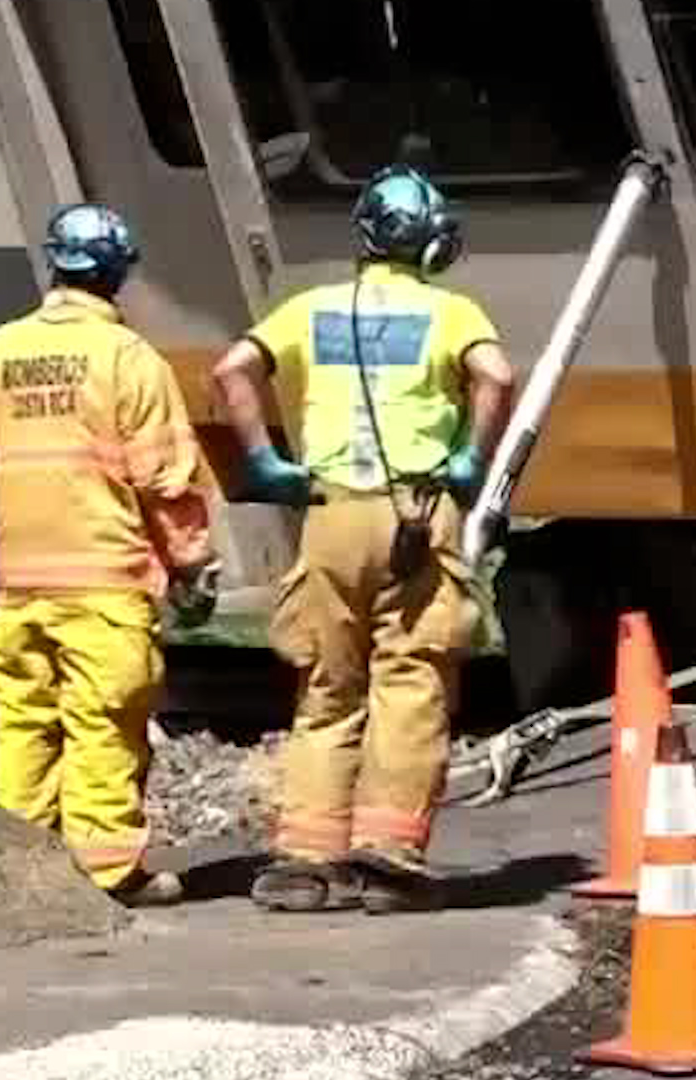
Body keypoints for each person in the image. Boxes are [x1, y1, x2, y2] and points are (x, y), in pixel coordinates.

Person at [211, 165, 516, 913]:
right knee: (411, 678)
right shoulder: (450, 313)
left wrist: (266, 461)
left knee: (326, 685)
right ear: (432, 242)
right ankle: (387, 856)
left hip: (330, 510)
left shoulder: (312, 309)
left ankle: (303, 862)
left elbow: (231, 370)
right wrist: (472, 459)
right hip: (416, 509)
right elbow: (497, 377)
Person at [0, 204, 219, 908]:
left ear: (55, 265)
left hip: (18, 583)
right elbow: (165, 479)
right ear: (117, 273)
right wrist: (190, 564)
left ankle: (14, 871)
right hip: (102, 584)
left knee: (21, 725)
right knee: (102, 724)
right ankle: (109, 874)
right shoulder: (128, 360)